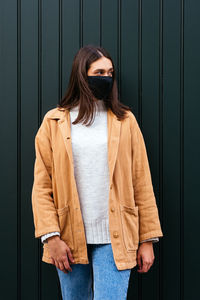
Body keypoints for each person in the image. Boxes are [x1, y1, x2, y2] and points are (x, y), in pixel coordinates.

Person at [31, 44, 163, 299]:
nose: (106, 78)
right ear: (82, 75)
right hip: (68, 236)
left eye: (109, 72)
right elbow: (42, 185)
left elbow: (141, 180)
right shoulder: (54, 122)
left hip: (116, 236)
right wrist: (51, 237)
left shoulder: (125, 121)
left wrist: (147, 239)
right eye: (99, 72)